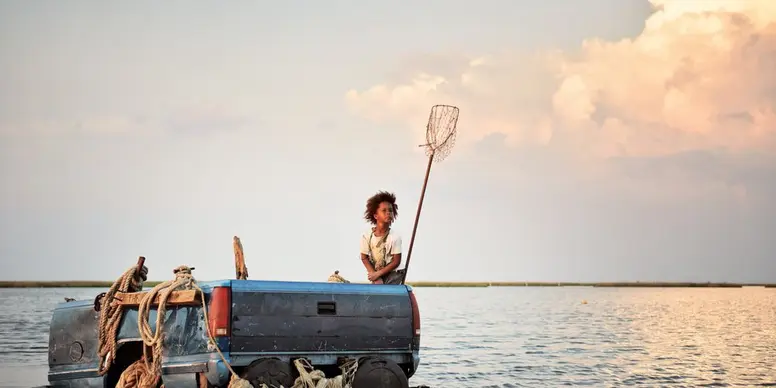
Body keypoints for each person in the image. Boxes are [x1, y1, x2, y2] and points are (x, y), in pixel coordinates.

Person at [360, 191, 405, 285]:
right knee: (377, 287)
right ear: (376, 216)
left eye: (390, 210)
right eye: (384, 211)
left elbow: (396, 262)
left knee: (385, 288)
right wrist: (374, 274)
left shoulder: (395, 237)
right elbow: (364, 258)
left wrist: (378, 274)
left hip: (394, 273)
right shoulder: (367, 236)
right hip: (377, 271)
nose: (388, 213)